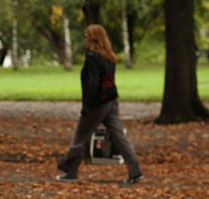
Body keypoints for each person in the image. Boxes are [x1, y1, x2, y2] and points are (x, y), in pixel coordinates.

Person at [55, 24, 143, 184]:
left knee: (80, 137)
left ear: (93, 38)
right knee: (119, 137)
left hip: (97, 103)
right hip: (111, 100)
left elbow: (93, 83)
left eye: (86, 36)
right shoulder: (110, 57)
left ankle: (70, 170)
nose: (85, 39)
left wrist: (86, 106)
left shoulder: (92, 58)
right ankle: (135, 170)